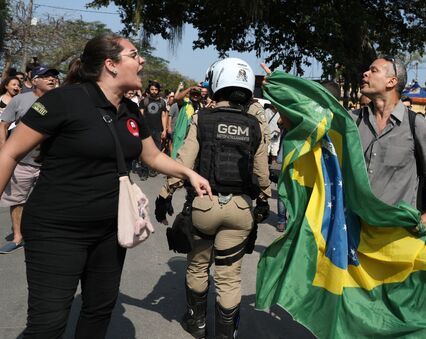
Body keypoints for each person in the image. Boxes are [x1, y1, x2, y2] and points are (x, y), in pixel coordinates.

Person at [0, 33, 211, 338]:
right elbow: (10, 152)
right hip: (56, 231)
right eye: (134, 54)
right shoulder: (64, 100)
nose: (141, 61)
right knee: (47, 326)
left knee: (98, 313)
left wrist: (188, 173)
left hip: (111, 233)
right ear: (111, 65)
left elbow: (151, 155)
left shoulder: (129, 110)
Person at [161, 57, 270, 339]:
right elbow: (261, 173)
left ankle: (196, 324)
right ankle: (225, 335)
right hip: (240, 210)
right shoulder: (255, 126)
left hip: (204, 206)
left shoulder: (202, 118)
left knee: (198, 266)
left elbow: (184, 160)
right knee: (229, 277)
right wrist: (264, 200)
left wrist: (165, 193)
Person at [352, 56, 426, 233]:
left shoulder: (416, 125)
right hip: (354, 231)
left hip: (398, 234)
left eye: (373, 70)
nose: (365, 73)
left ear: (391, 81)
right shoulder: (351, 121)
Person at [0, 66, 59, 254]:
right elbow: (4, 125)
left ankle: (48, 236)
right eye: (46, 76)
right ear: (34, 80)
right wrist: (4, 150)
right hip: (22, 162)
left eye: (54, 76)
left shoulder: (61, 101)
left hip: (51, 163)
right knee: (17, 201)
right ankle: (18, 237)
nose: (51, 79)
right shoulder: (20, 100)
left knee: (52, 200)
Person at [138, 80, 169, 179]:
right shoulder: (144, 101)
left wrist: (164, 130)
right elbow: (141, 115)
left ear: (158, 90)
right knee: (144, 150)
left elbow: (164, 116)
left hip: (158, 129)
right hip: (146, 129)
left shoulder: (162, 102)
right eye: (152, 89)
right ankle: (144, 171)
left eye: (156, 89)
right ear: (149, 89)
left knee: (156, 150)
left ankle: (152, 169)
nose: (154, 91)